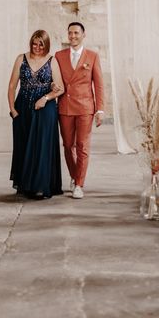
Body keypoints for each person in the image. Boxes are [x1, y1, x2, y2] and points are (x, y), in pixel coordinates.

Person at [8, 30, 64, 198]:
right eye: (35, 43)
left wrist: (45, 98)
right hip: (22, 107)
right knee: (23, 145)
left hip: (44, 109)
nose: (38, 47)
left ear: (46, 45)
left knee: (41, 147)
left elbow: (60, 88)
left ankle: (40, 185)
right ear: (31, 42)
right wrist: (12, 109)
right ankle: (24, 184)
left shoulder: (52, 61)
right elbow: (12, 86)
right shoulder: (21, 59)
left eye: (41, 44)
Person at [54, 22, 104, 199]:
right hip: (65, 107)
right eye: (70, 33)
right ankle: (75, 176)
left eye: (76, 33)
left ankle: (79, 184)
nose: (73, 36)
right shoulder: (58, 56)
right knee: (68, 146)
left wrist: (100, 110)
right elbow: (55, 80)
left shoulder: (92, 56)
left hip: (85, 107)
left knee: (82, 146)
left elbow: (98, 84)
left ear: (84, 35)